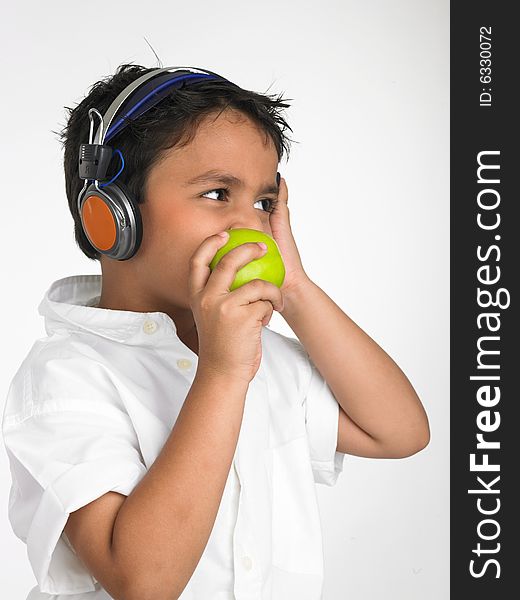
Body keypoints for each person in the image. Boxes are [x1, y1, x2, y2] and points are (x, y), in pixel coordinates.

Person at [2, 63, 430, 600]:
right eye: (216, 194)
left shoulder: (261, 355)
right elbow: (143, 582)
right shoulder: (66, 378)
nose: (250, 226)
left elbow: (399, 433)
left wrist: (294, 289)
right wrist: (224, 374)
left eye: (264, 202)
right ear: (111, 216)